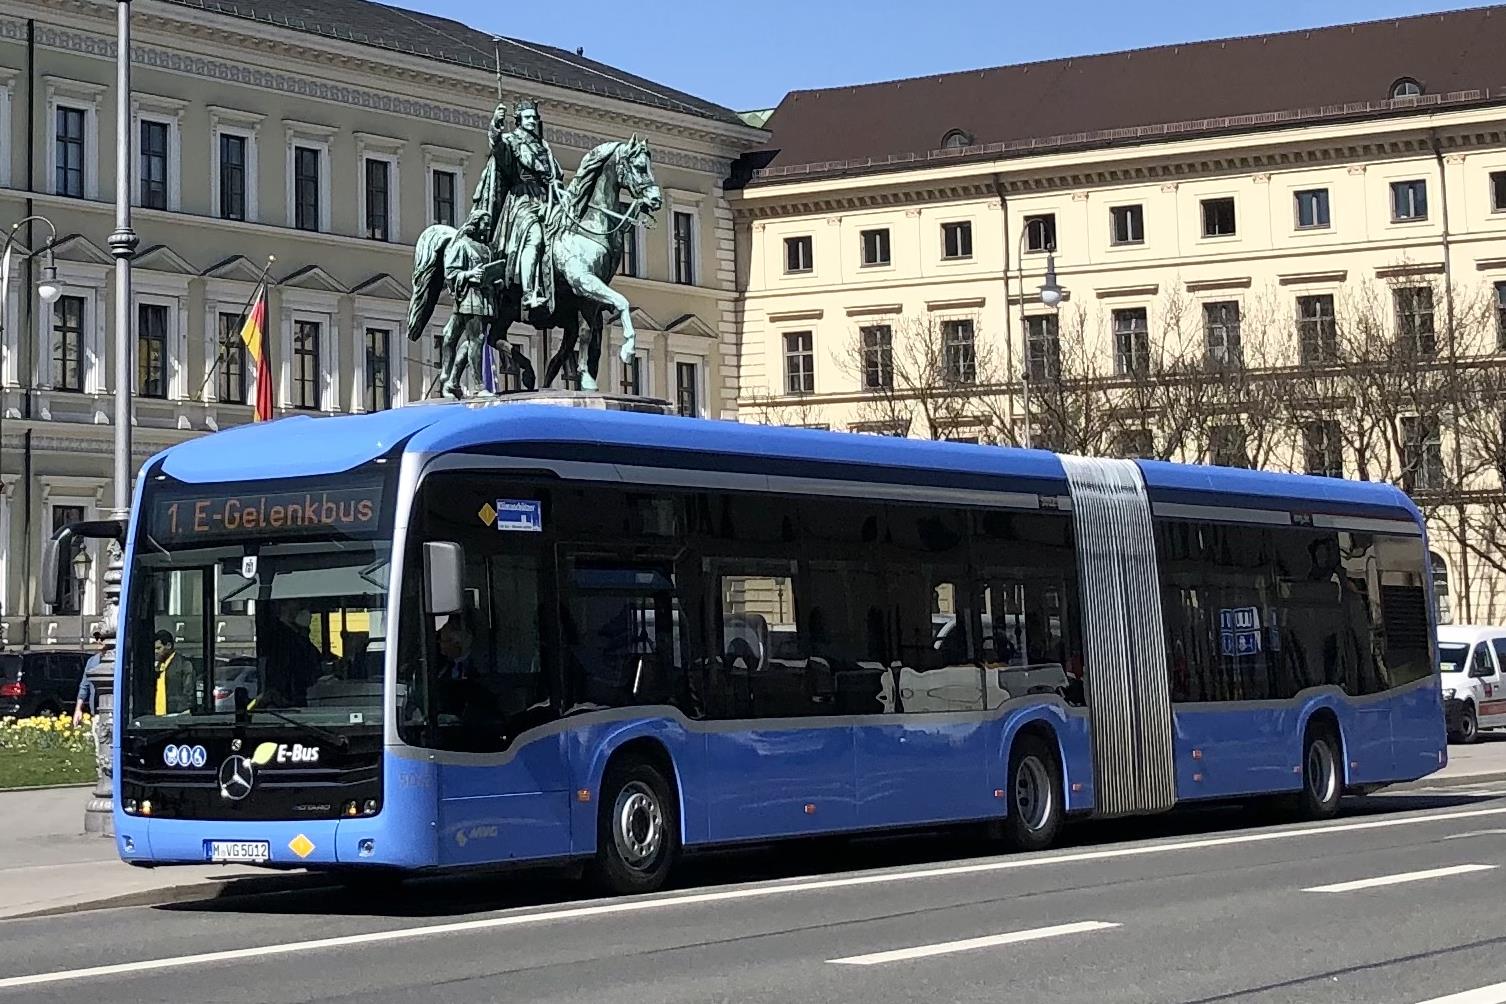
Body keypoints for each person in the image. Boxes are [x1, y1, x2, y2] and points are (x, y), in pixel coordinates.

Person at [471, 99, 565, 314]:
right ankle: (529, 293)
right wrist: (496, 124)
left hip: (548, 200)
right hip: (522, 201)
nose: (532, 121)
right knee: (535, 238)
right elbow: (497, 148)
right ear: (519, 120)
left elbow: (555, 175)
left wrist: (557, 188)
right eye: (528, 117)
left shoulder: (544, 147)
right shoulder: (511, 141)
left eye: (534, 117)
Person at [152, 630, 196, 715]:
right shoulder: (158, 665)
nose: (156, 652)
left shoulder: (183, 664)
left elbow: (189, 692)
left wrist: (182, 710)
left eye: (158, 648)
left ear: (168, 646)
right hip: (158, 715)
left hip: (176, 714)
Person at [72, 628, 105, 727]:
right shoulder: (92, 661)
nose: (99, 640)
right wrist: (78, 710)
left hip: (114, 711)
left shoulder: (117, 660)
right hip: (96, 712)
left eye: (102, 638)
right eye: (97, 637)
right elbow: (84, 687)